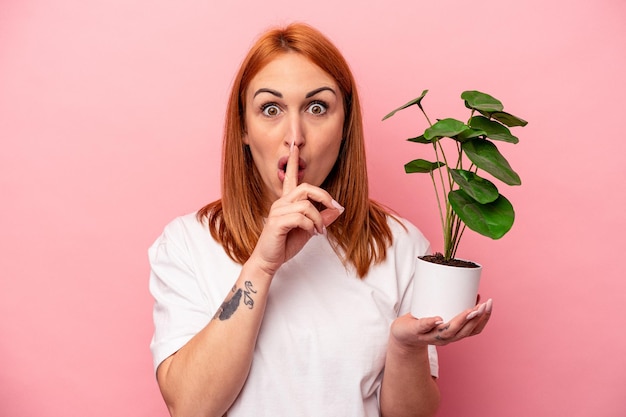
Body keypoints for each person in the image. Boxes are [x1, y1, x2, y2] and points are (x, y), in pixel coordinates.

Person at [149, 22, 492, 417]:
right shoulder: (187, 242)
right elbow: (190, 408)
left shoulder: (401, 246)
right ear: (243, 127)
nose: (294, 136)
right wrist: (261, 265)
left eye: (317, 108)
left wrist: (404, 346)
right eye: (270, 109)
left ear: (345, 125)